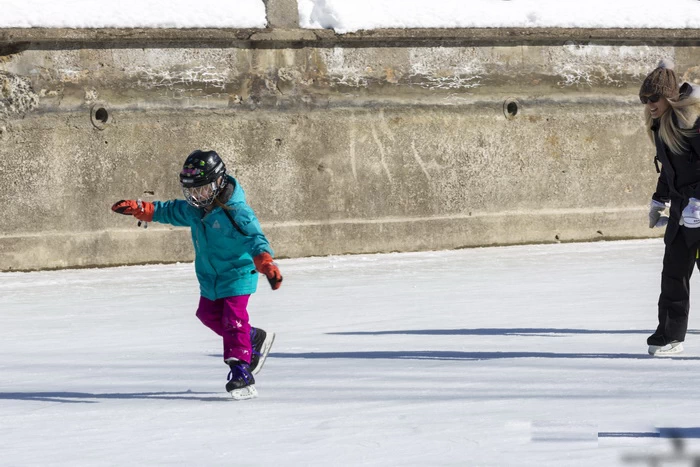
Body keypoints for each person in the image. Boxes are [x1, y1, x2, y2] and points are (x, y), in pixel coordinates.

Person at [111, 150, 282, 399]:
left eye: (201, 189)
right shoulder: (195, 208)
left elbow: (255, 237)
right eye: (191, 190)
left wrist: (265, 261)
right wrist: (143, 209)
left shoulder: (236, 212)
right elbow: (170, 210)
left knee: (233, 321)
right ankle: (252, 337)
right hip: (210, 276)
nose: (195, 195)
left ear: (218, 183)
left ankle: (241, 372)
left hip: (237, 273)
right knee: (207, 315)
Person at [643, 60, 700, 356]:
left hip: (699, 212)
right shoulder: (660, 125)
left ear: (669, 97)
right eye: (645, 99)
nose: (650, 104)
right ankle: (669, 334)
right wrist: (659, 199)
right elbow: (668, 170)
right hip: (680, 212)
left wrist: (699, 202)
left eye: (654, 98)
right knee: (673, 274)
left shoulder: (694, 124)